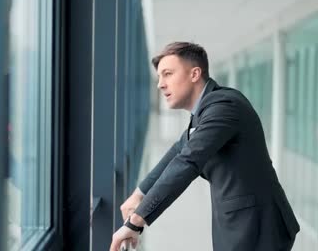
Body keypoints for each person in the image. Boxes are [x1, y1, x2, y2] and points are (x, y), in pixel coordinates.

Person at [110, 42, 300, 251]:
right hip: (239, 223)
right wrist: (138, 193)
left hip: (259, 228)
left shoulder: (224, 107)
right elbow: (177, 151)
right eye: (159, 77)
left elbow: (187, 161)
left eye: (168, 74)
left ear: (194, 74)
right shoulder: (206, 110)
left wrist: (136, 221)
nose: (160, 84)